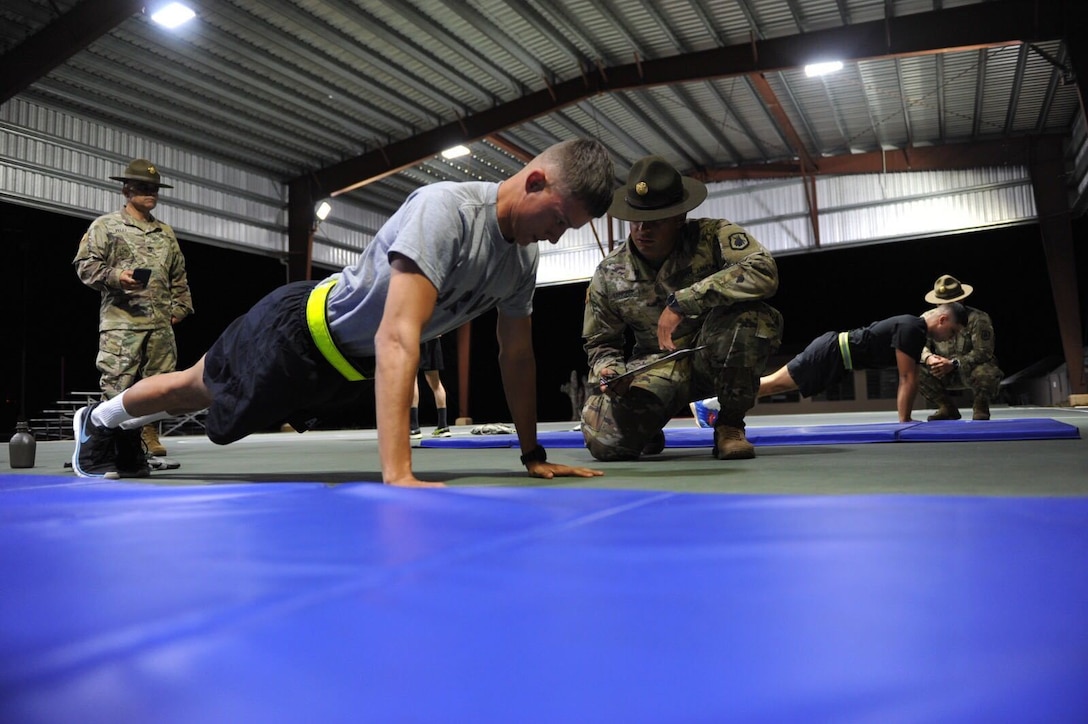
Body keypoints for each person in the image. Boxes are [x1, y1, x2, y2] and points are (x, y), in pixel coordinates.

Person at [71, 139, 615, 487]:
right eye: (560, 219)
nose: (557, 234)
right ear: (536, 181)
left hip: (342, 370)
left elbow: (516, 354)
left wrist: (532, 453)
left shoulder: (521, 258)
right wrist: (398, 474)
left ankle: (117, 427)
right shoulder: (446, 211)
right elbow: (398, 336)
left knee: (207, 400)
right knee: (194, 388)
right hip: (294, 331)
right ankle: (98, 420)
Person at [581, 155, 784, 461]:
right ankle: (649, 425)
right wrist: (608, 370)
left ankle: (729, 425)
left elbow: (763, 270)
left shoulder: (713, 236)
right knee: (605, 443)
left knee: (750, 318)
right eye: (636, 220)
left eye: (655, 222)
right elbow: (601, 343)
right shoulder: (610, 273)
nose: (642, 230)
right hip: (657, 368)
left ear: (679, 217)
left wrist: (685, 300)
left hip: (713, 353)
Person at [73, 158, 194, 465]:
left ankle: (145, 437)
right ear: (126, 190)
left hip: (159, 324)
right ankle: (104, 442)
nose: (150, 193)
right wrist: (116, 277)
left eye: (153, 188)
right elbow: (85, 266)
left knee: (161, 384)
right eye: (142, 188)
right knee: (117, 383)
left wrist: (180, 307)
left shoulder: (165, 232)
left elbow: (178, 273)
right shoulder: (105, 226)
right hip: (122, 322)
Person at [757, 303, 968, 423]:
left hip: (835, 357)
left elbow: (911, 371)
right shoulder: (912, 328)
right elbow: (907, 377)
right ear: (942, 320)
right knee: (771, 385)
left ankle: (728, 396)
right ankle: (726, 396)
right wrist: (906, 421)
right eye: (952, 332)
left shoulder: (915, 329)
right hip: (831, 353)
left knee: (770, 387)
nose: (950, 338)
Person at [918, 275, 1003, 421]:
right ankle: (947, 408)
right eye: (942, 303)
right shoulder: (927, 318)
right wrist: (930, 358)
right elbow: (918, 346)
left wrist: (954, 364)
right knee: (915, 370)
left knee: (989, 370)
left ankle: (981, 406)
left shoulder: (978, 318)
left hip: (970, 369)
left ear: (961, 300)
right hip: (942, 370)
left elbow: (984, 352)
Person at [410, 337, 451, 438]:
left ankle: (413, 427)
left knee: (411, 380)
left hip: (415, 337)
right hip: (433, 337)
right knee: (436, 383)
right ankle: (443, 426)